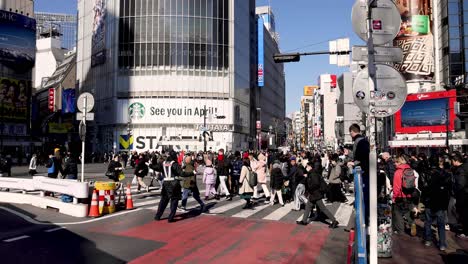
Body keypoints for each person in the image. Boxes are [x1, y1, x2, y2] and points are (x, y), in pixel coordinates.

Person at [154, 151, 197, 223]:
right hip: (174, 183)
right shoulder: (174, 164)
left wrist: (150, 165)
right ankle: (170, 217)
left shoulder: (164, 163)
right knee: (174, 200)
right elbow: (181, 173)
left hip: (166, 184)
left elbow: (156, 167)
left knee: (163, 201)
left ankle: (158, 216)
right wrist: (192, 173)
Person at [422, 154, 451, 251]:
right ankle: (442, 243)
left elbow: (423, 187)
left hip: (429, 200)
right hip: (440, 201)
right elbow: (448, 188)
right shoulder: (444, 173)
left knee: (428, 221)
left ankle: (428, 239)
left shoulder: (426, 173)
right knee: (441, 224)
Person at [297, 162, 339, 228]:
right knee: (308, 207)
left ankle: (334, 221)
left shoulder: (313, 174)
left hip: (316, 194)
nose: (306, 168)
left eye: (307, 166)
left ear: (310, 166)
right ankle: (304, 221)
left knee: (323, 208)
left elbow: (315, 183)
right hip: (314, 194)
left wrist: (309, 188)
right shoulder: (312, 173)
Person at [392, 154, 417, 236]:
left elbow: (396, 187)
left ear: (400, 162)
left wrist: (394, 197)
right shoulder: (410, 170)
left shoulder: (398, 172)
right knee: (408, 211)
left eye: (396, 162)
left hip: (400, 196)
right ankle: (412, 223)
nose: (395, 163)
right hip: (409, 194)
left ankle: (401, 231)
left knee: (397, 213)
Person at [451, 153, 468, 238]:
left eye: (452, 161)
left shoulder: (460, 170)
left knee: (463, 213)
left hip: (463, 194)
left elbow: (460, 184)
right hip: (465, 193)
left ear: (456, 161)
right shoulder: (466, 166)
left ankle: (466, 232)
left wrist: (454, 191)